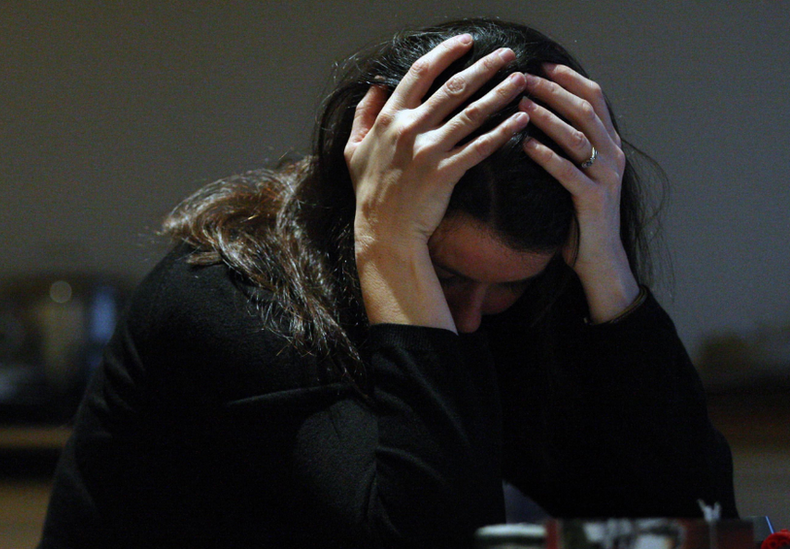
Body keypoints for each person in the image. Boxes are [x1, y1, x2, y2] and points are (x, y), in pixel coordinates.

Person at [38, 18, 737, 548]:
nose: (469, 318)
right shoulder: (227, 300)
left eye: (506, 287)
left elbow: (696, 520)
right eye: (445, 274)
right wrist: (390, 246)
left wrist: (606, 267)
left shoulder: (523, 298)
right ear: (365, 210)